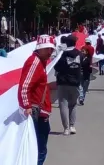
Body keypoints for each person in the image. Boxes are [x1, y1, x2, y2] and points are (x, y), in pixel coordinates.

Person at [18, 35, 55, 165]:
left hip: (40, 112)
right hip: (36, 113)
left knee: (40, 148)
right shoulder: (34, 62)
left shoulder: (41, 62)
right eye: (47, 49)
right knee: (39, 150)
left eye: (51, 49)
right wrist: (27, 106)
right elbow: (24, 86)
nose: (50, 52)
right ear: (39, 49)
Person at [54, 35, 82, 136]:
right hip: (75, 83)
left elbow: (56, 67)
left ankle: (66, 128)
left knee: (63, 105)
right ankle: (72, 126)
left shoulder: (62, 54)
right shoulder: (79, 54)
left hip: (63, 82)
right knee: (73, 104)